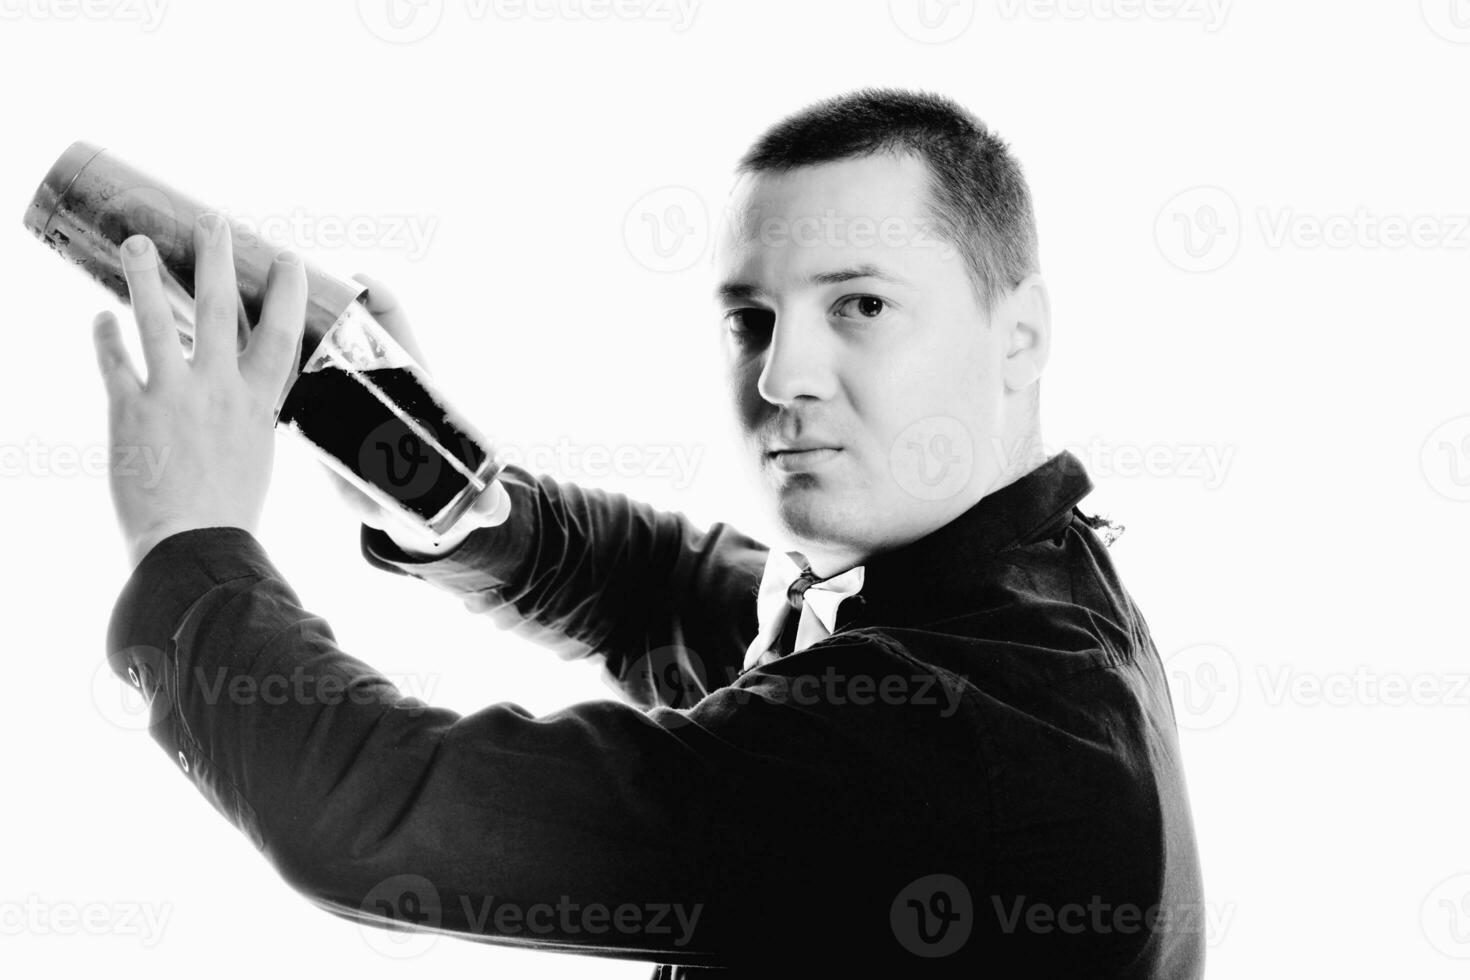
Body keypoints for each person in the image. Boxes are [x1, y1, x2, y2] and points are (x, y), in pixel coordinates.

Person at [94, 87, 1205, 978]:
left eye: (860, 305)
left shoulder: (957, 745)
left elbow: (380, 818)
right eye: (751, 319)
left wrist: (189, 537)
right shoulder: (990, 580)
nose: (781, 375)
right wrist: (446, 490)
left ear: (1020, 338)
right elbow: (677, 593)